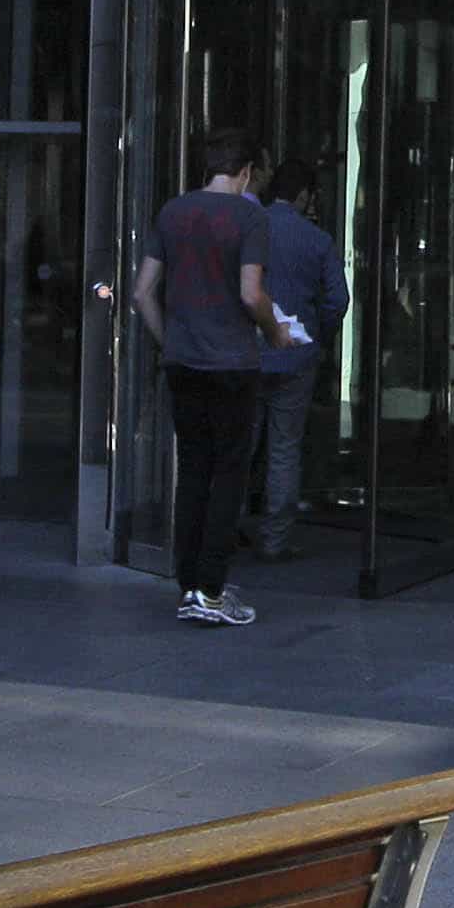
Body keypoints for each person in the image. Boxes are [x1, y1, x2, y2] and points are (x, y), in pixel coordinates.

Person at [130, 127, 277, 625]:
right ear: (246, 172)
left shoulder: (174, 212)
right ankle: (213, 592)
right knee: (229, 475)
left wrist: (167, 338)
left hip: (183, 360)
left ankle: (189, 582)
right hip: (233, 363)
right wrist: (276, 332)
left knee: (193, 469)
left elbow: (141, 292)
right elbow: (251, 292)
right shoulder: (249, 216)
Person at [251, 158, 348, 560]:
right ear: (304, 195)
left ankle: (224, 531)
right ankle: (275, 539)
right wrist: (320, 336)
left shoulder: (251, 228)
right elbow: (338, 300)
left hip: (249, 351)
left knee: (242, 443)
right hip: (297, 354)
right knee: (284, 448)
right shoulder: (318, 239)